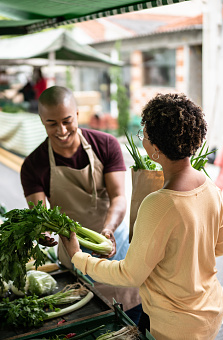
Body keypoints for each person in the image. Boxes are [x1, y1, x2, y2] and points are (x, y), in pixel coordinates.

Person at [60, 93, 223, 340]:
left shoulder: (159, 203)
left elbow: (131, 274)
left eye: (144, 136)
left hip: (174, 324)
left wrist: (78, 257)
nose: (143, 141)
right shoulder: (212, 189)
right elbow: (220, 248)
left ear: (156, 149)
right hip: (209, 311)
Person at [20, 86, 142, 322]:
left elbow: (118, 196)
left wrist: (107, 231)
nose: (62, 130)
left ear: (77, 114)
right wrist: (43, 232)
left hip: (113, 244)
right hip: (71, 255)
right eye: (52, 124)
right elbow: (40, 215)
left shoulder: (105, 144)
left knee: (129, 311)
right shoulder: (33, 165)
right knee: (87, 318)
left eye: (67, 120)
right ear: (42, 121)